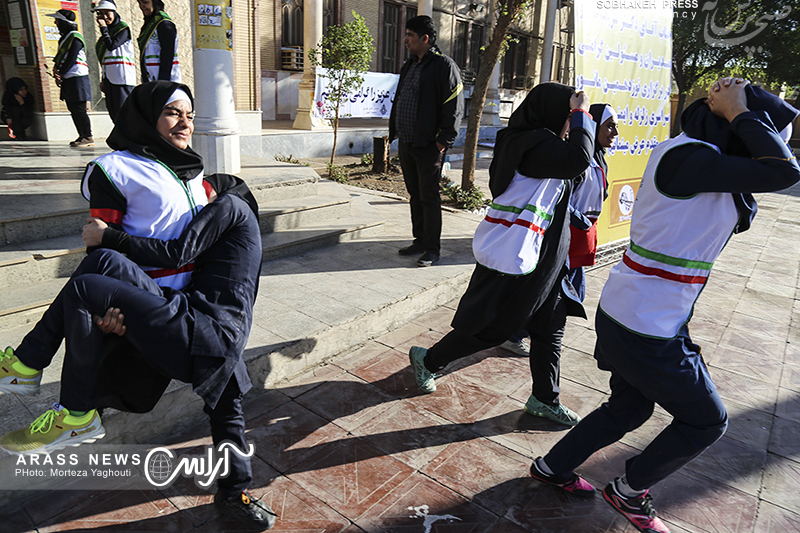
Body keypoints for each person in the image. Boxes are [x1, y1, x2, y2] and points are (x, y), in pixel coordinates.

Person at [530, 79, 800, 533]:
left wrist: (737, 117)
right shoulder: (691, 157)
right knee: (706, 421)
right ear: (731, 125)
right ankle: (629, 490)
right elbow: (784, 171)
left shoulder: (693, 154)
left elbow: (768, 169)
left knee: (629, 409)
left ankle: (551, 467)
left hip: (638, 310)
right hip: (646, 323)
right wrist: (739, 111)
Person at [0, 172, 277, 530]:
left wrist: (108, 235)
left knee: (87, 288)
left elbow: (179, 254)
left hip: (211, 331)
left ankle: (76, 410)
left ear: (212, 190)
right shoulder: (229, 227)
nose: (192, 204)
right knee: (103, 263)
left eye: (197, 193)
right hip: (196, 315)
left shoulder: (231, 205)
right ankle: (26, 363)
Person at [407, 83, 595, 398]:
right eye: (567, 114)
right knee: (492, 328)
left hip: (546, 258)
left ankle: (545, 398)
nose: (569, 122)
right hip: (519, 256)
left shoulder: (538, 142)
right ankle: (429, 359)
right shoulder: (532, 145)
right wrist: (581, 115)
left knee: (550, 328)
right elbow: (578, 160)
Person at [519, 102, 619, 427]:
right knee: (553, 307)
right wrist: (579, 224)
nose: (615, 132)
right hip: (564, 240)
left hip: (576, 241)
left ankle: (544, 395)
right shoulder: (576, 158)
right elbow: (561, 198)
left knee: (556, 310)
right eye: (609, 126)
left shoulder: (600, 159)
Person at [82, 80, 209, 290]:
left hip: (200, 289)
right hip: (148, 292)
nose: (185, 124)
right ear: (146, 115)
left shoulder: (192, 165)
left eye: (190, 116)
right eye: (174, 113)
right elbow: (102, 245)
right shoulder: (115, 169)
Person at [389, 15, 463, 267]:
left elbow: (454, 107)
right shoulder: (409, 65)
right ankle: (419, 240)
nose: (405, 39)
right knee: (414, 194)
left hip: (429, 146)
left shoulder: (444, 66)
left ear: (425, 38)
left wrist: (443, 142)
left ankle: (432, 248)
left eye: (410, 34)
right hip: (407, 142)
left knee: (429, 196)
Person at [48, 9, 93, 147]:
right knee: (73, 108)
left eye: (57, 20)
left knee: (79, 108)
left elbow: (72, 58)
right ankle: (81, 135)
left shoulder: (75, 37)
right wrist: (57, 71)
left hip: (77, 76)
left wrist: (61, 72)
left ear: (64, 22)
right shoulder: (64, 39)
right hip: (68, 77)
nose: (55, 23)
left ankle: (88, 136)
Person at [94, 0, 136, 122]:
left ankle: (130, 138)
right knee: (113, 112)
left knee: (125, 112)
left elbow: (112, 46)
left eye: (107, 13)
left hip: (122, 78)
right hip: (109, 79)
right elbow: (105, 60)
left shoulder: (123, 29)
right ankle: (120, 138)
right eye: (101, 14)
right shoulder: (105, 35)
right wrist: (103, 79)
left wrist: (104, 28)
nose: (105, 17)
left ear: (114, 12)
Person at [137, 0, 181, 83]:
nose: (141, 6)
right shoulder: (147, 25)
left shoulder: (164, 24)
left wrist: (163, 81)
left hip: (166, 81)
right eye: (139, 3)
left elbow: (168, 53)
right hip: (150, 79)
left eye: (145, 2)